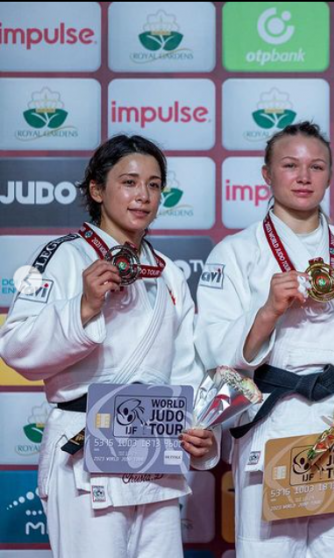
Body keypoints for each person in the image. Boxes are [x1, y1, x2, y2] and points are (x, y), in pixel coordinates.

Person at [193, 121, 334, 558]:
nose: (304, 176)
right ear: (266, 174)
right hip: (270, 426)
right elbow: (215, 352)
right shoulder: (235, 253)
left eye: (316, 166)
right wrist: (267, 312)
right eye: (290, 165)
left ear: (330, 176)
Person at [0, 135, 212, 558]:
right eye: (129, 182)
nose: (143, 195)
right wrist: (83, 307)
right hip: (87, 448)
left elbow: (187, 368)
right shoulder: (63, 256)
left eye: (154, 185)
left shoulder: (167, 272)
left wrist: (199, 426)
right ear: (97, 190)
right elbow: (15, 346)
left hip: (156, 449)